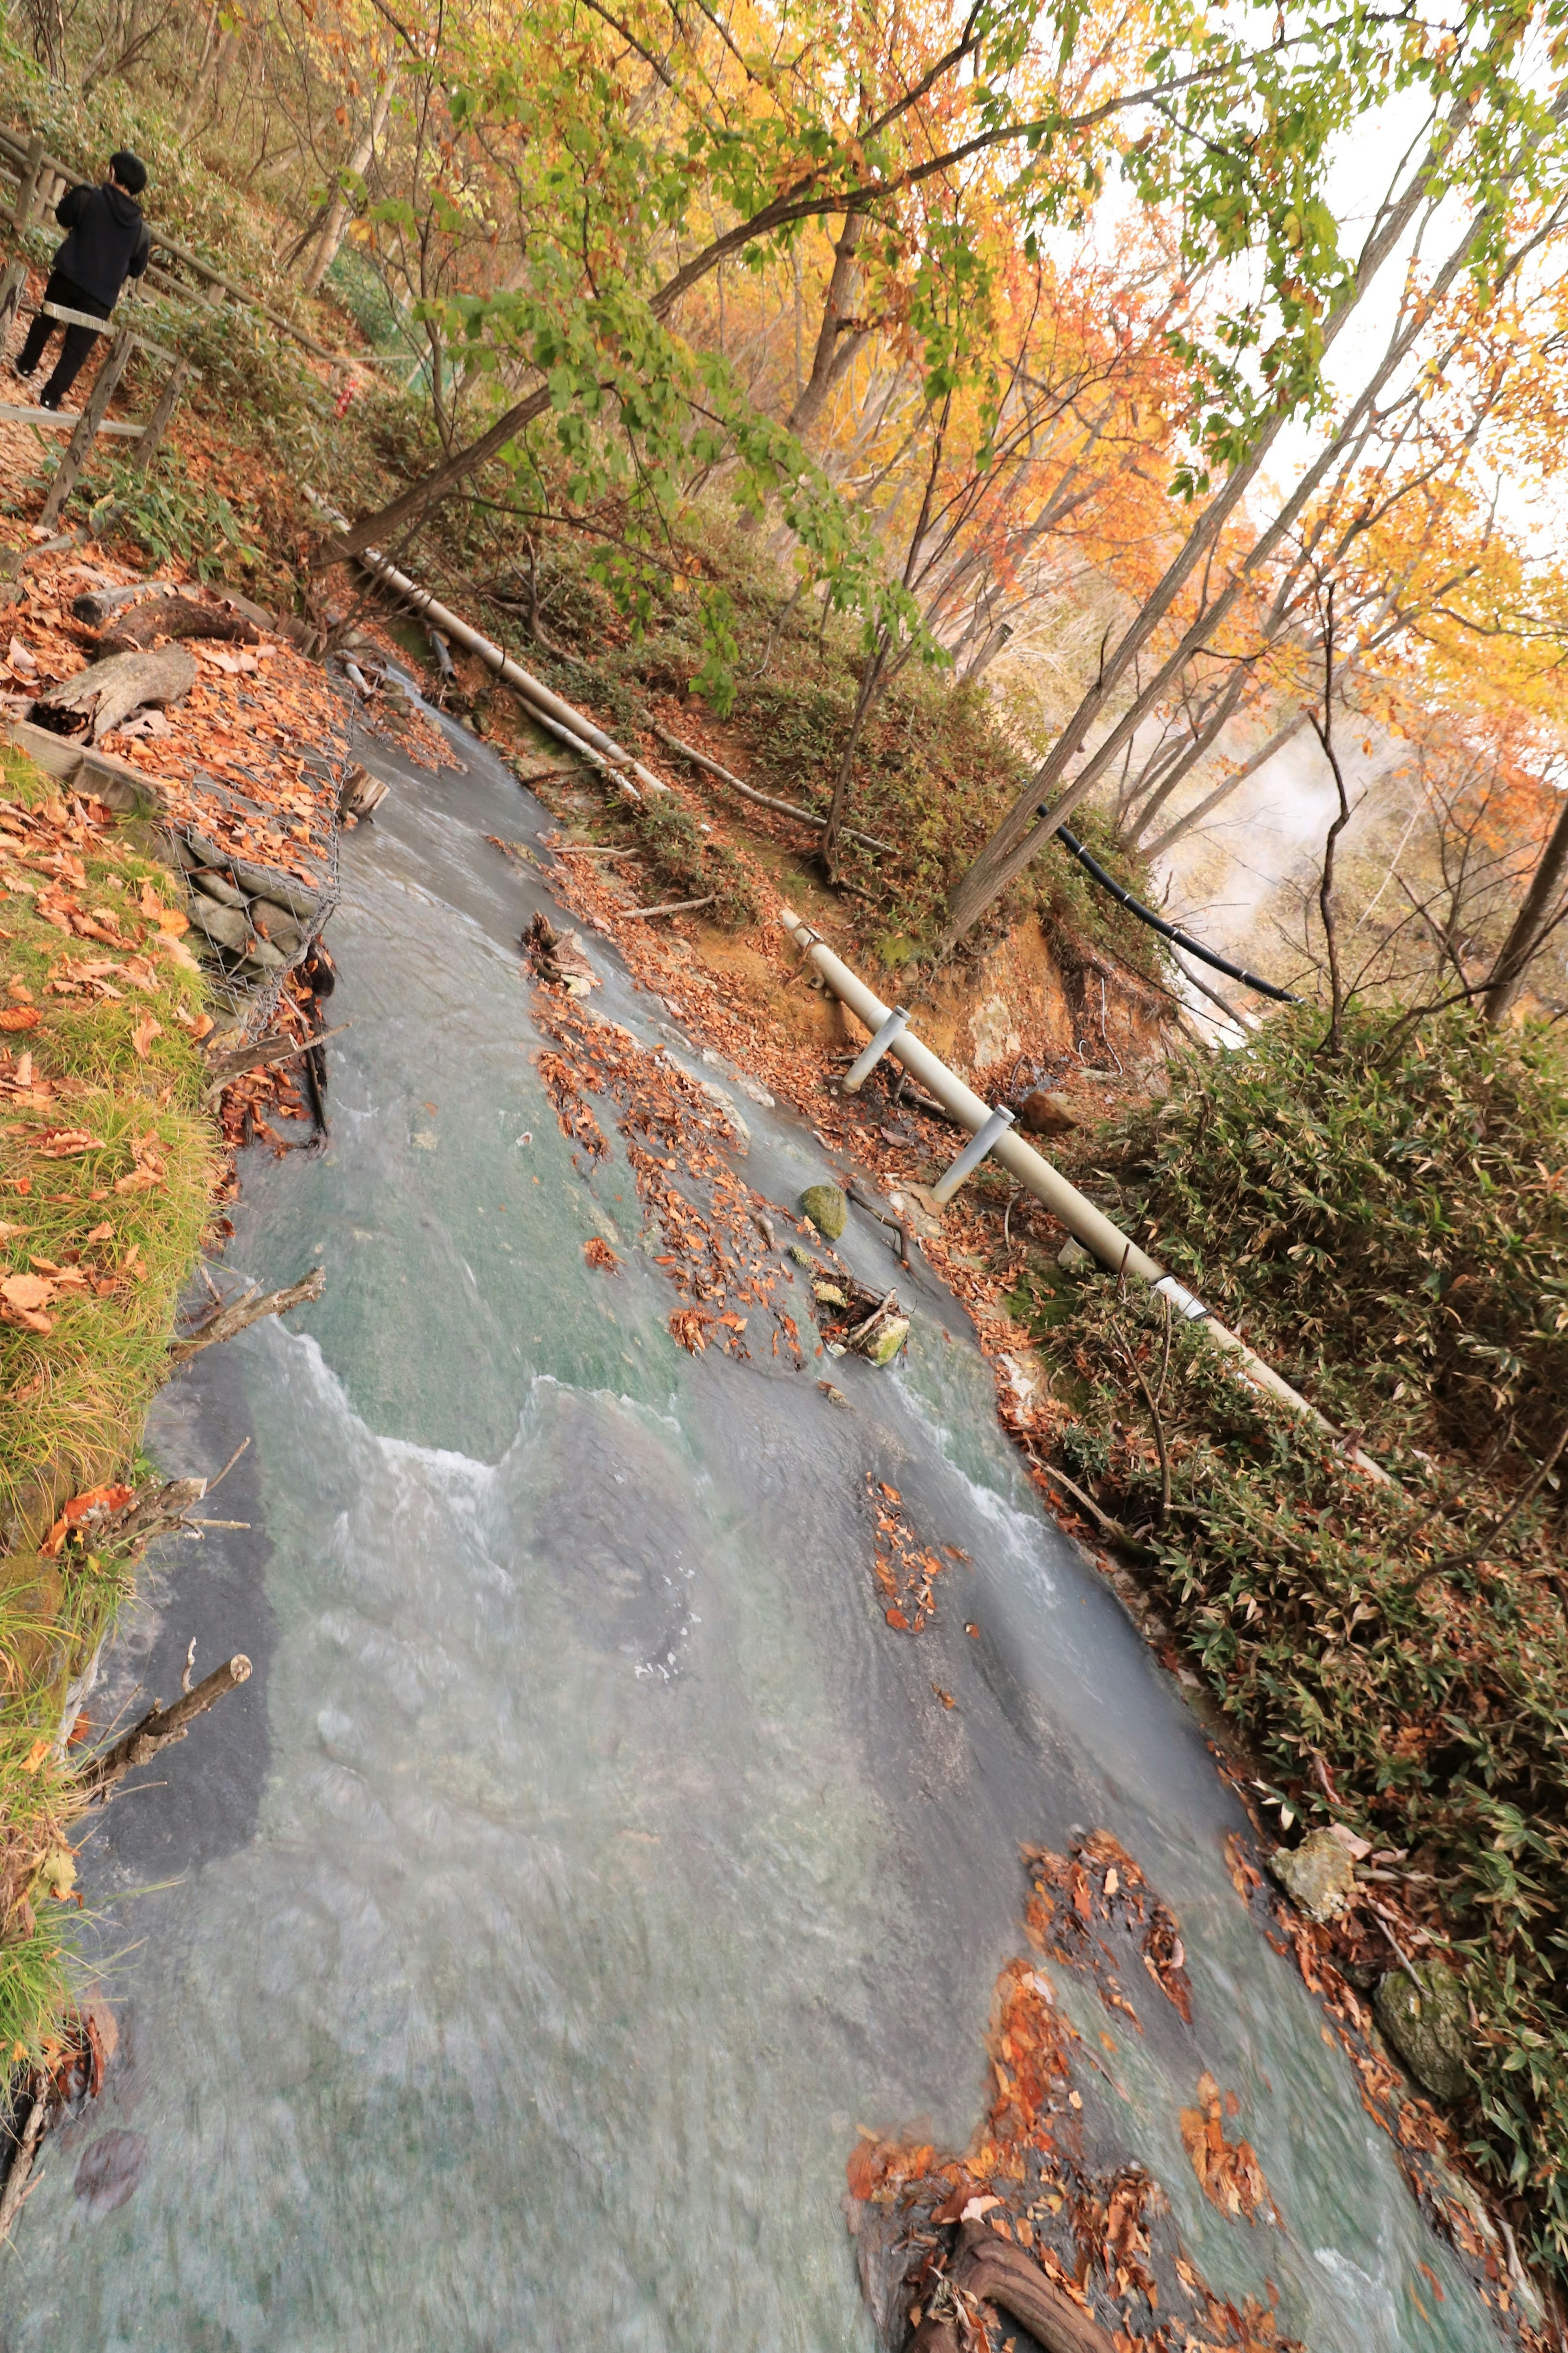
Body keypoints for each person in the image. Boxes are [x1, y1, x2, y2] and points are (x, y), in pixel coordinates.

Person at [11, 150, 151, 410]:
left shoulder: (88, 196)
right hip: (101, 297)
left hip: (68, 275)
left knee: (46, 322)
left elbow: (63, 216)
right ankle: (51, 397)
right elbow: (137, 268)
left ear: (112, 172)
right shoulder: (142, 231)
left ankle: (26, 366)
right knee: (76, 351)